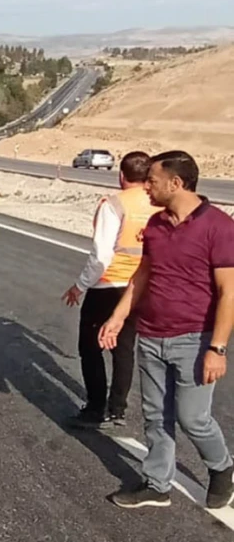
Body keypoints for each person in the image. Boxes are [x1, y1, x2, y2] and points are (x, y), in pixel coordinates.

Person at [99, 150, 234, 510]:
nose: (146, 187)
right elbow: (142, 275)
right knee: (156, 416)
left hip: (195, 339)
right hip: (151, 335)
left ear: (176, 183)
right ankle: (157, 484)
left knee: (194, 418)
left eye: (153, 180)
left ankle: (221, 468)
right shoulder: (156, 224)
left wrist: (217, 348)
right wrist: (118, 317)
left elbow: (229, 292)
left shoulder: (218, 226)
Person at [61, 151, 159, 428]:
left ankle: (94, 408)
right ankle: (117, 410)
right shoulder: (157, 205)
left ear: (121, 175)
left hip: (109, 285)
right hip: (140, 288)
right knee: (124, 348)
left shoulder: (114, 204)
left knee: (90, 347)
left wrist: (79, 286)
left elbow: (101, 255)